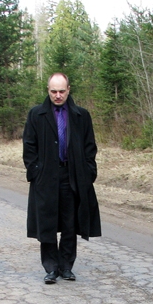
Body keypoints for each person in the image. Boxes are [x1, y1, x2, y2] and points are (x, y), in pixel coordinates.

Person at [23, 73, 101, 284]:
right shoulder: (36, 114)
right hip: (45, 177)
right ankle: (51, 268)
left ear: (69, 89)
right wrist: (35, 171)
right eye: (53, 91)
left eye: (61, 91)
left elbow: (89, 147)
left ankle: (66, 267)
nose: (57, 95)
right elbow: (29, 146)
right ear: (48, 90)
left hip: (72, 176)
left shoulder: (80, 115)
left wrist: (88, 172)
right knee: (47, 222)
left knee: (69, 223)